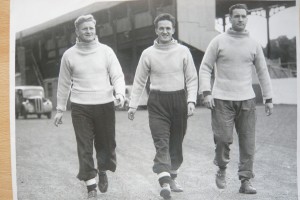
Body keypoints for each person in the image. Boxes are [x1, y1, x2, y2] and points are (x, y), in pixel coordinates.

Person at [199, 4, 273, 194]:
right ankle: (222, 169)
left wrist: (268, 98)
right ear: (230, 19)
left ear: (247, 18)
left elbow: (263, 71)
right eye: (236, 16)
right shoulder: (218, 41)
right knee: (223, 139)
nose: (240, 19)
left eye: (243, 16)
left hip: (247, 100)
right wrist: (206, 92)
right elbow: (205, 67)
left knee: (248, 143)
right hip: (222, 99)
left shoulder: (254, 44)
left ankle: (245, 180)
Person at [53, 14, 125, 199]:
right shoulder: (69, 55)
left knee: (107, 145)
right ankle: (91, 185)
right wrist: (60, 109)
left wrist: (120, 93)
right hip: (80, 107)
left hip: (104, 104)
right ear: (77, 31)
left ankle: (102, 170)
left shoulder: (106, 51)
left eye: (91, 28)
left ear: (95, 29)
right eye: (84, 28)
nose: (88, 31)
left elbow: (117, 75)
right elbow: (63, 83)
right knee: (84, 146)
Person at [128, 13, 198, 199]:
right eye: (161, 28)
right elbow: (139, 81)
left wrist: (191, 100)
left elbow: (191, 78)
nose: (165, 31)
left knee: (176, 143)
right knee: (162, 143)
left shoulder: (183, 51)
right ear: (156, 30)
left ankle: (172, 176)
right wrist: (133, 105)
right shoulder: (148, 53)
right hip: (158, 102)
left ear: (173, 30)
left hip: (179, 100)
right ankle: (164, 182)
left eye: (168, 28)